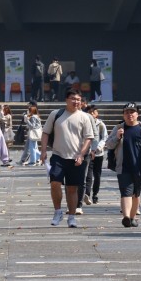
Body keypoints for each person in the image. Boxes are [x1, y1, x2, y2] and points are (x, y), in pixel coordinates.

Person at [40, 89, 94, 228]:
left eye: (78, 99)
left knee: (72, 189)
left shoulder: (85, 117)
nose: (76, 102)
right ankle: (58, 211)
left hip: (76, 158)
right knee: (54, 182)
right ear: (66, 100)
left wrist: (81, 154)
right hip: (58, 156)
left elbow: (88, 138)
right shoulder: (56, 114)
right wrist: (43, 150)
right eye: (73, 99)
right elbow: (45, 133)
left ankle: (71, 217)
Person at [104, 102, 141, 228]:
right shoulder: (118, 128)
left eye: (132, 112)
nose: (129, 115)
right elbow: (109, 144)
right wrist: (117, 137)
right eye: (127, 112)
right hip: (123, 167)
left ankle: (132, 218)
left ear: (137, 114)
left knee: (136, 194)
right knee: (126, 192)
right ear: (123, 115)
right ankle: (126, 217)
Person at [83, 104, 109, 206]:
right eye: (89, 112)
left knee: (97, 175)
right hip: (88, 154)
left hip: (98, 154)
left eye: (93, 112)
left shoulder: (101, 124)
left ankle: (95, 194)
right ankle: (87, 194)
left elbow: (104, 137)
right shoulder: (85, 123)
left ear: (96, 114)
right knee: (88, 175)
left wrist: (98, 148)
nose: (92, 114)